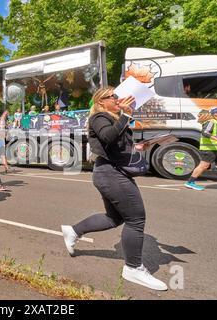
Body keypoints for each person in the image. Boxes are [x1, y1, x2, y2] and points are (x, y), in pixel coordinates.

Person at [61, 87, 168, 291]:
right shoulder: (99, 117)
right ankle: (133, 268)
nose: (118, 99)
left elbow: (115, 145)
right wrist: (126, 114)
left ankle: (73, 231)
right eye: (114, 97)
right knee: (135, 219)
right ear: (102, 102)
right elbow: (108, 137)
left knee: (115, 218)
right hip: (111, 174)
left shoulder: (114, 117)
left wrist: (138, 146)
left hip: (112, 172)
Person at [184, 105, 217, 192]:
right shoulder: (211, 121)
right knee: (204, 166)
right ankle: (190, 183)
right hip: (209, 149)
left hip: (216, 149)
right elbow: (205, 133)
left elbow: (214, 134)